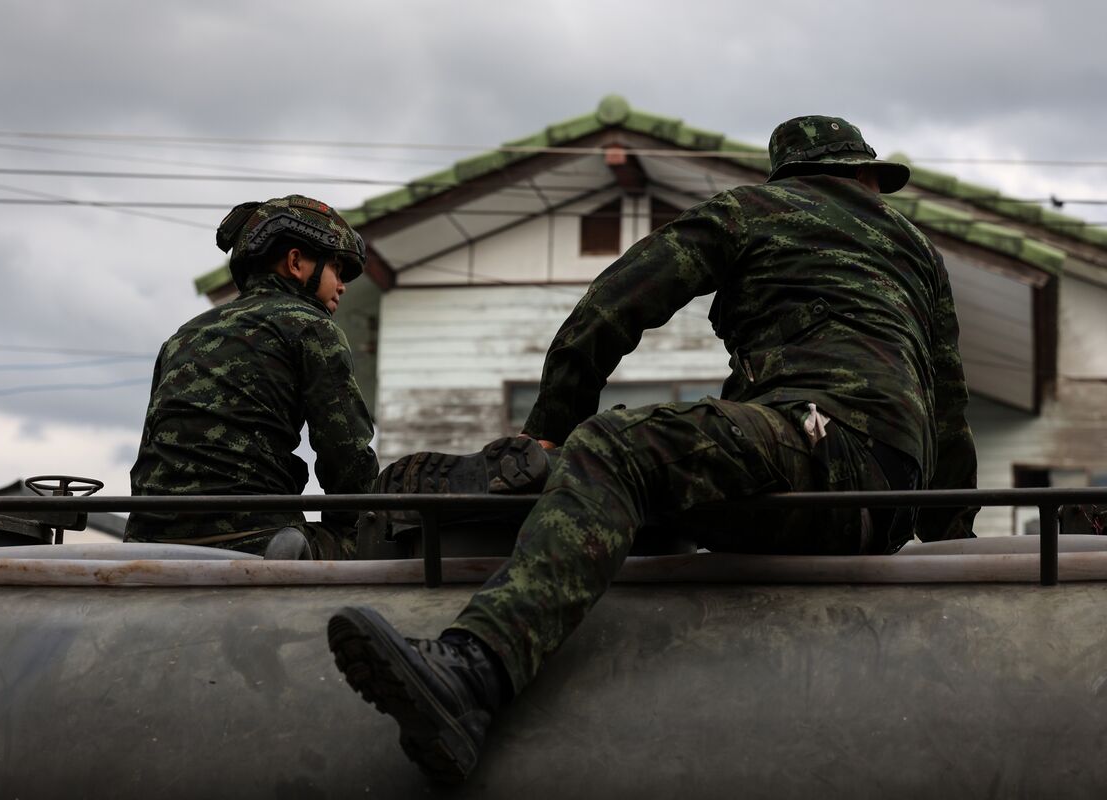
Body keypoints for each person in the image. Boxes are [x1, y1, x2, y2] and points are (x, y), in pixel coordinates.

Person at [328, 116, 979, 782]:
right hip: (883, 500)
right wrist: (958, 549)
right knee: (660, 486)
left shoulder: (752, 210)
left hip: (817, 452)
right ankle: (575, 533)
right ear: (864, 175)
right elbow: (950, 409)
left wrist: (552, 427)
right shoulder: (918, 252)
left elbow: (613, 303)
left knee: (610, 447)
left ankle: (473, 672)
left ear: (789, 175)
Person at [124, 195, 378, 559]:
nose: (342, 285)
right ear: (296, 263)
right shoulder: (310, 326)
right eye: (337, 269)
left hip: (147, 540)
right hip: (256, 536)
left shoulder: (183, 335)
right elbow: (348, 456)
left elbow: (153, 446)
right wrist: (357, 529)